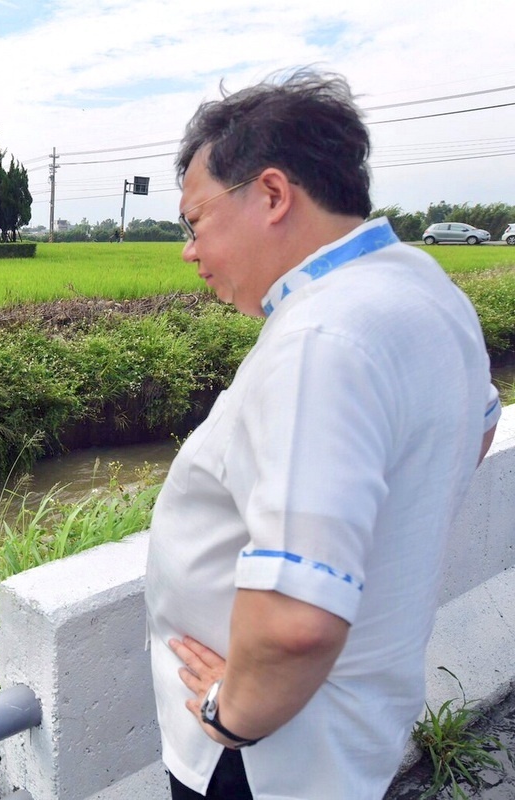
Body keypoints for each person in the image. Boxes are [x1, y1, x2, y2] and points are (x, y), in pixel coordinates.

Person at [144, 69, 502, 799]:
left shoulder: (320, 338)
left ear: (273, 195)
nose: (189, 249)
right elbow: (477, 434)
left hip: (264, 759)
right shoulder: (427, 289)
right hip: (353, 731)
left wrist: (229, 714)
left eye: (195, 218)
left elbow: (296, 627)